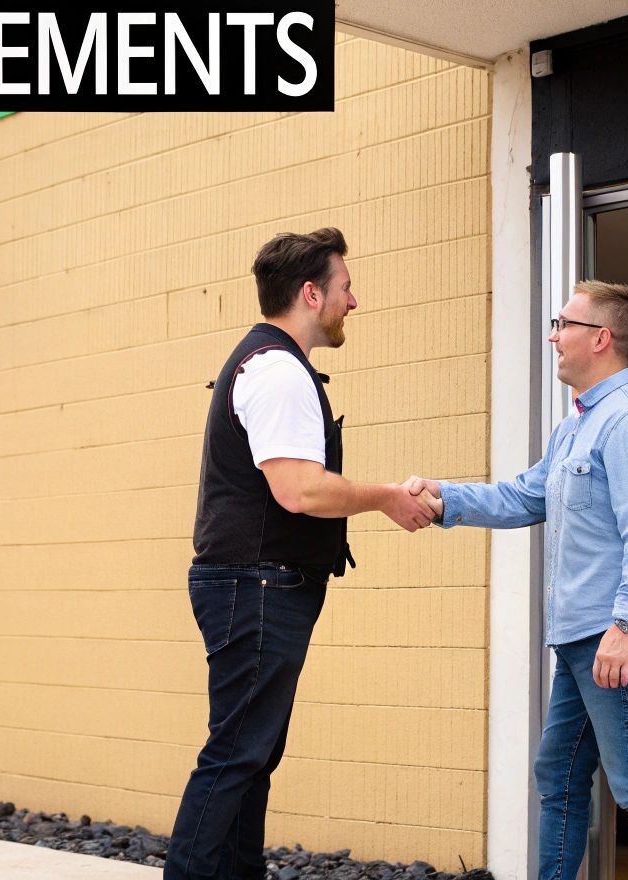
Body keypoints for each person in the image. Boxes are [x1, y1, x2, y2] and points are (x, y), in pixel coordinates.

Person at [165, 227, 441, 880]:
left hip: (256, 586)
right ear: (311, 294)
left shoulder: (271, 365)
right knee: (236, 756)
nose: (354, 300)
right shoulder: (278, 372)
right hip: (256, 586)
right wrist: (387, 498)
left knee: (250, 757)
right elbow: (299, 491)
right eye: (346, 287)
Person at [406, 280, 628, 880]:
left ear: (601, 338)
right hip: (580, 639)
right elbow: (521, 496)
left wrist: (626, 625)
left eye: (564, 324)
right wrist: (443, 497)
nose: (553, 336)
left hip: (614, 639)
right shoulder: (575, 428)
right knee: (558, 776)